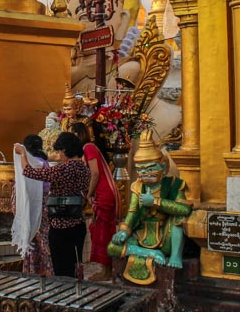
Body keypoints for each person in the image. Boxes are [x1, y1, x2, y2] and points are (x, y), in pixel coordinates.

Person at [108, 129, 192, 285]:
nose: (144, 173)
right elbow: (132, 214)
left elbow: (185, 210)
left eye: (149, 168)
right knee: (113, 247)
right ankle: (148, 253)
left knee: (178, 217)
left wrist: (155, 202)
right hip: (142, 235)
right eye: (140, 169)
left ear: (163, 167)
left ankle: (175, 256)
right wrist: (124, 231)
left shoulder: (173, 184)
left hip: (165, 237)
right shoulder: (137, 186)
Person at [15, 131, 90, 278]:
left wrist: (23, 153)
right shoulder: (84, 169)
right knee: (76, 263)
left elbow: (29, 172)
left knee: (62, 269)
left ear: (65, 150)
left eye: (60, 151)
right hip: (78, 224)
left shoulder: (62, 169)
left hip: (61, 226)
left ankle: (64, 296)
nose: (60, 155)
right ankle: (77, 293)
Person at [72, 122, 121, 282]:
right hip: (100, 195)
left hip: (103, 195)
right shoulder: (86, 149)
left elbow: (95, 173)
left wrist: (89, 193)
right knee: (99, 231)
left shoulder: (88, 148)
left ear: (78, 134)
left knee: (104, 233)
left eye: (73, 134)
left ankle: (107, 271)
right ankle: (106, 269)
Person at [12, 134, 54, 276]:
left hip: (31, 206)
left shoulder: (28, 161)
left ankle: (31, 271)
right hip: (44, 206)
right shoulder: (44, 162)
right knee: (44, 241)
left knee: (30, 239)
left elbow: (23, 182)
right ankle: (48, 272)